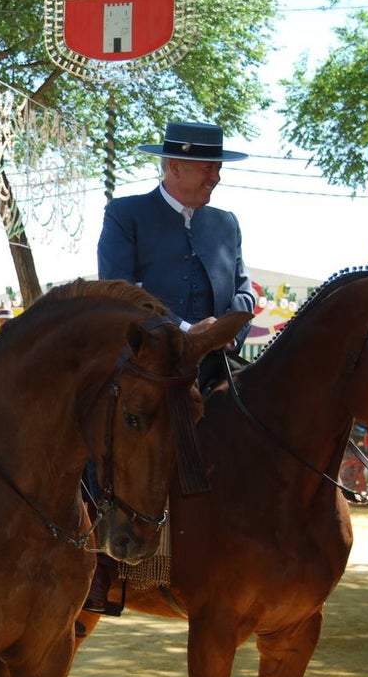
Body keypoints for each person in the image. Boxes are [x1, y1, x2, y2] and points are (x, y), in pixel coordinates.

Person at [87, 120, 254, 617]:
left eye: (218, 167)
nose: (216, 177)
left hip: (217, 364)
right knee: (105, 437)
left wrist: (226, 329)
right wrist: (187, 332)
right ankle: (101, 565)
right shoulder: (126, 215)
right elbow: (119, 289)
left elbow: (244, 288)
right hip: (148, 368)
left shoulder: (226, 223)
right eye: (208, 167)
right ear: (173, 166)